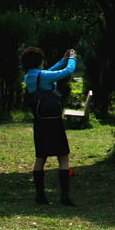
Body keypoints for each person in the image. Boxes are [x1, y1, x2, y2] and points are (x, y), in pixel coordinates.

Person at [23, 47, 77, 206]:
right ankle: (65, 196)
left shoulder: (30, 76)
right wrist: (72, 59)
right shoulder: (42, 76)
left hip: (40, 122)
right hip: (54, 121)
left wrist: (62, 59)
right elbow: (66, 72)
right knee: (63, 157)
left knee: (41, 158)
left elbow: (49, 71)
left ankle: (40, 196)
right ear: (39, 61)